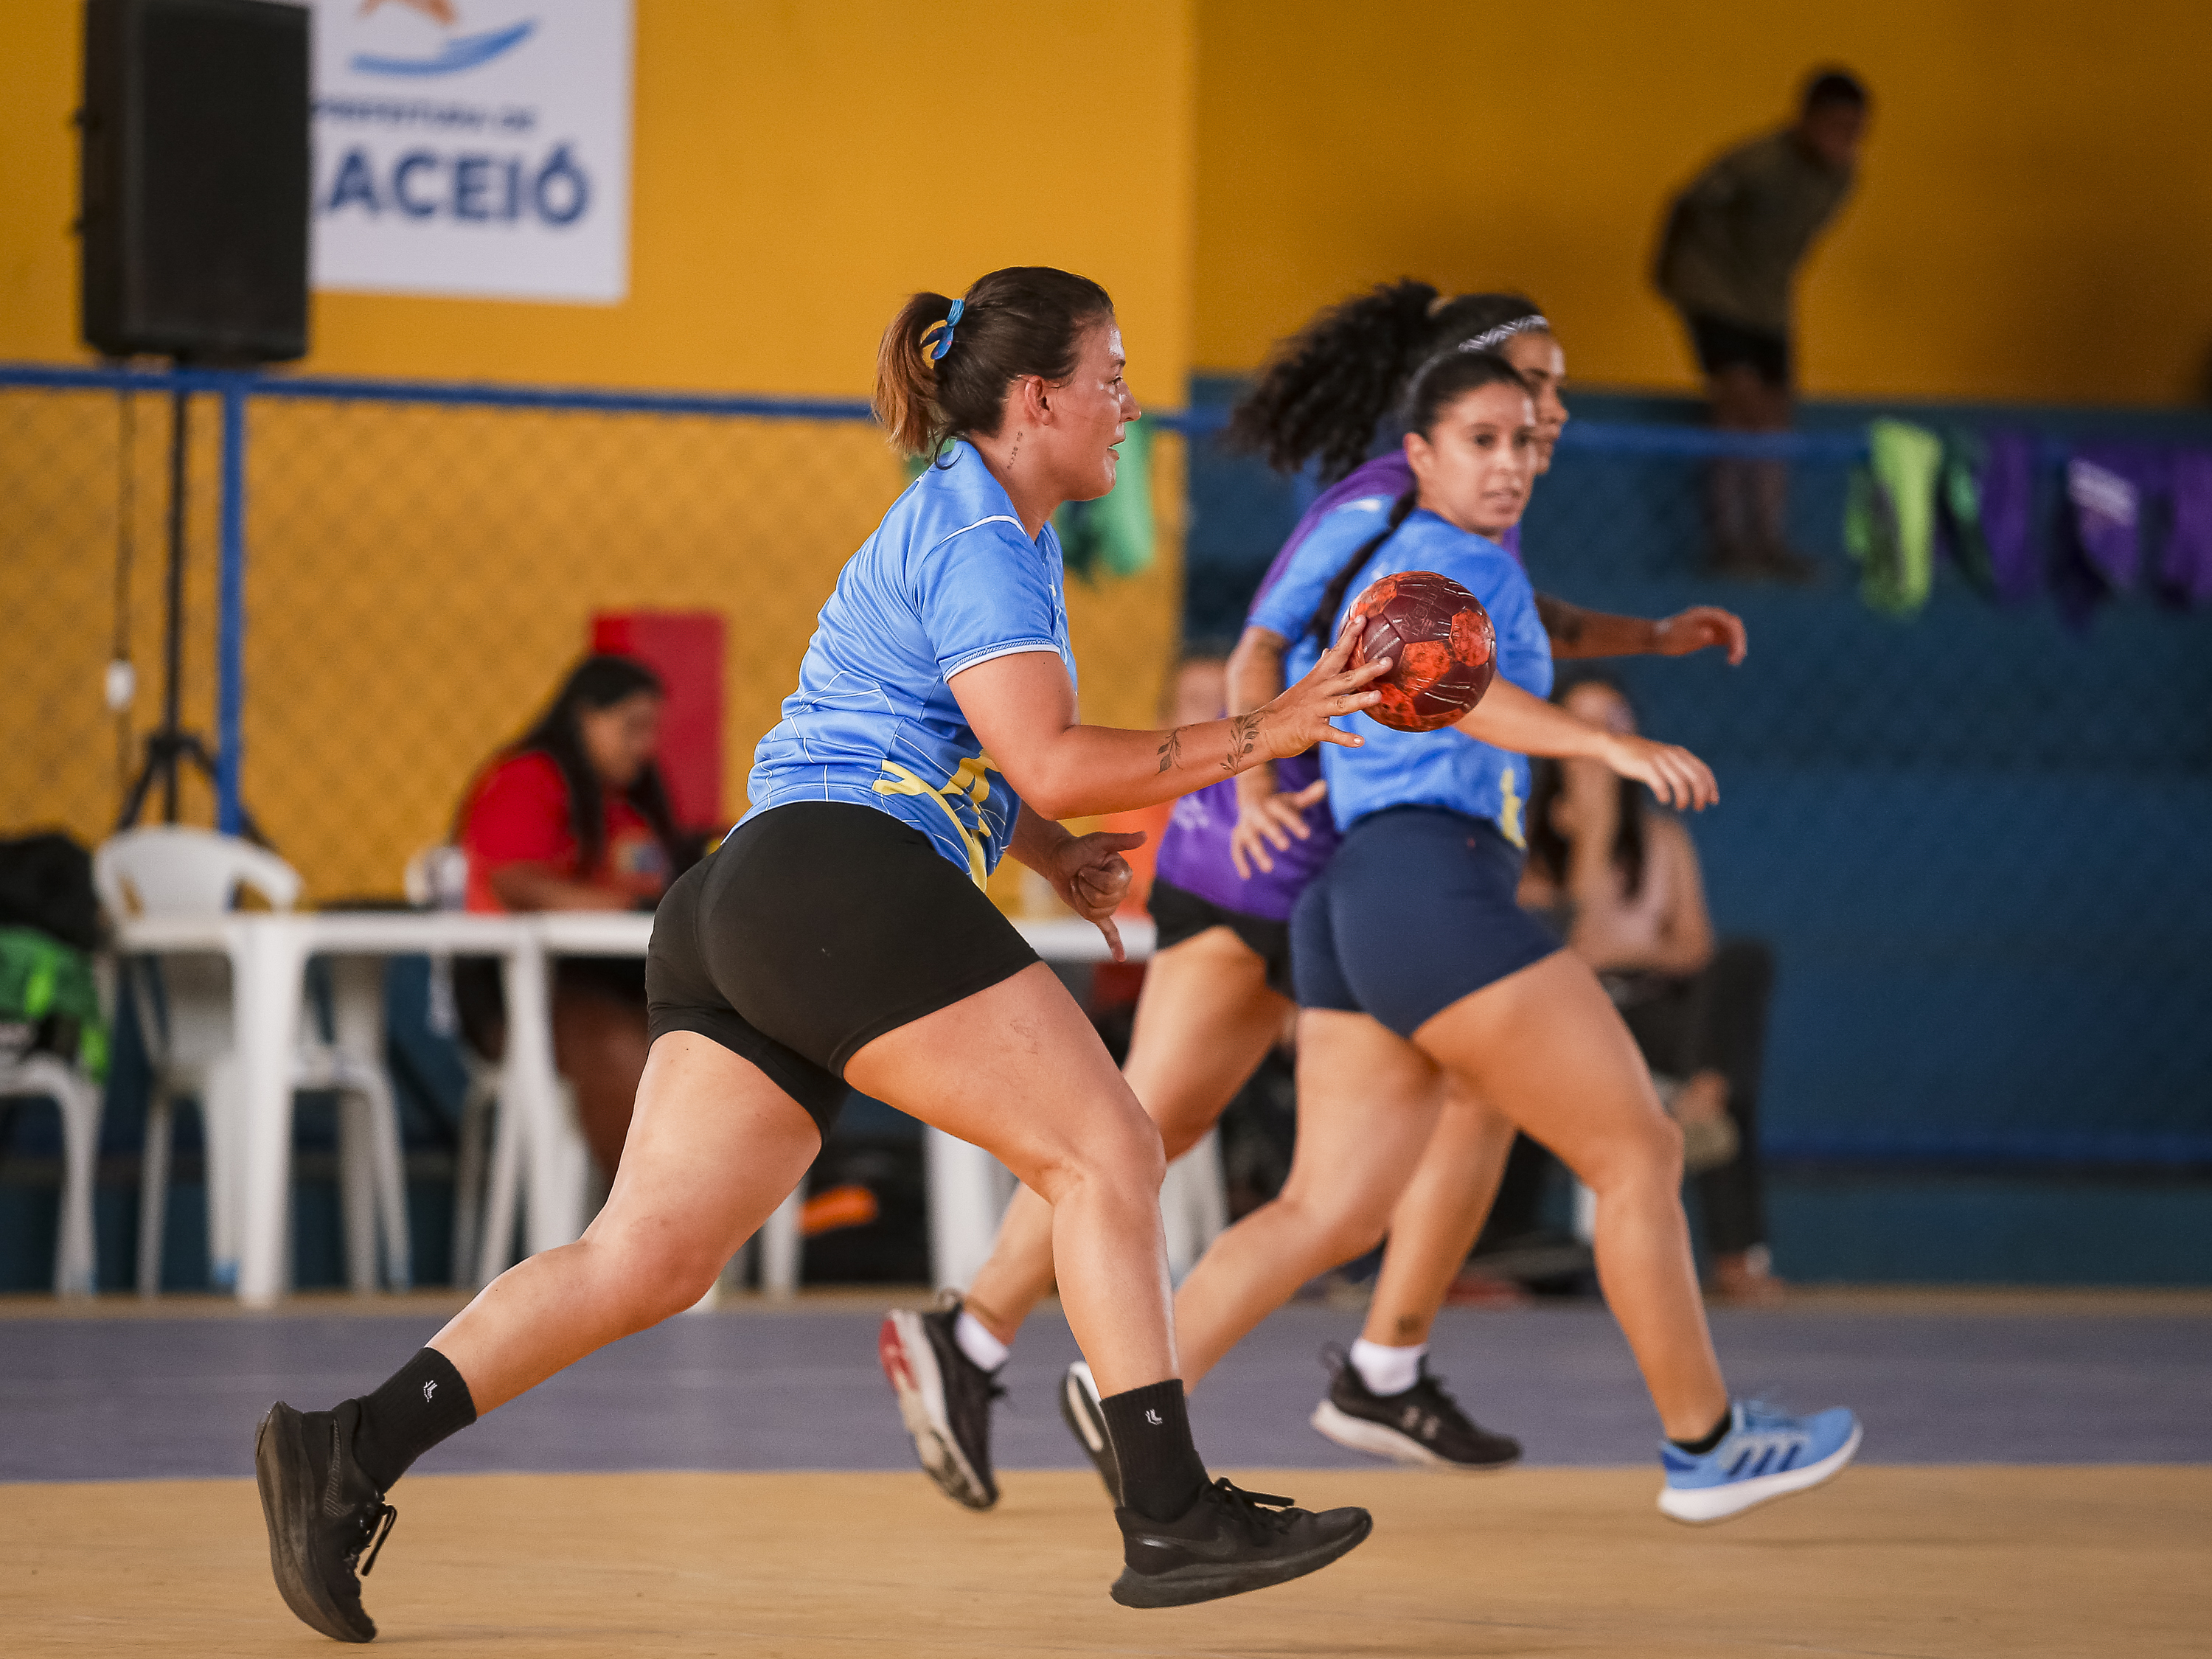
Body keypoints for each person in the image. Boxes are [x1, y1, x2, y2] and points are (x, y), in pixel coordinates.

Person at [251, 266, 1391, 1641]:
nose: (1131, 404)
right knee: (1108, 1151)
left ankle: (347, 1454)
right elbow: (1044, 751)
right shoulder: (979, 531)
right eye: (1111, 375)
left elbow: (958, 747)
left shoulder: (990, 526)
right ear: (1037, 399)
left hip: (750, 893)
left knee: (647, 1260)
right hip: (835, 881)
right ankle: (1167, 1509)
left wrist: (1045, 852)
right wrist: (1276, 727)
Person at [882, 280, 1750, 1504]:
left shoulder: (1465, 514)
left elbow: (1510, 633)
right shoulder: (1386, 498)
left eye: (1552, 393)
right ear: (1459, 390)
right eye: (1536, 383)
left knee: (1465, 1096)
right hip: (1264, 848)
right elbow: (1267, 635)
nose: (1554, 406)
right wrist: (1275, 756)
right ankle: (972, 1338)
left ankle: (1387, 1362)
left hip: (1327, 856)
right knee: (1148, 1126)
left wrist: (1647, 640)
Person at [1080, 345, 1859, 1526]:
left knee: (1328, 1206)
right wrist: (1599, 743)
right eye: (1484, 438)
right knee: (1637, 1150)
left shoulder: (1467, 561)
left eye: (1527, 441)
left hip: (1359, 897)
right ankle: (1705, 1443)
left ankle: (1131, 1388)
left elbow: (1499, 642)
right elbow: (1440, 679)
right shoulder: (1432, 556)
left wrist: (1645, 640)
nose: (1510, 462)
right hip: (1424, 878)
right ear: (1422, 454)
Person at [1523, 674, 1782, 1304]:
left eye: (1615, 723)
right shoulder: (1525, 840)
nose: (1601, 740)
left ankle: (1702, 1102)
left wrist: (1631, 953)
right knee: (1715, 1062)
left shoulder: (1664, 838)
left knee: (1743, 968)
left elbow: (1695, 946)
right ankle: (1705, 1096)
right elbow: (1565, 951)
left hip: (1653, 1006)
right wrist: (1595, 833)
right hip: (1571, 1016)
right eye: (1585, 723)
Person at [452, 653, 692, 1177]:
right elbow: (515, 883)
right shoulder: (529, 778)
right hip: (520, 989)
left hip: (624, 979)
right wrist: (624, 907)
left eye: (652, 730)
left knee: (703, 1052)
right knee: (613, 1047)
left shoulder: (632, 804)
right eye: (632, 727)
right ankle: (651, 1216)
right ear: (585, 716)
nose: (646, 745)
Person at [1654, 67, 1871, 579]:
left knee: (1777, 416)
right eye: (1834, 127)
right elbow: (1686, 204)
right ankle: (1728, 542)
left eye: (1854, 131)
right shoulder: (1755, 164)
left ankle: (1770, 541)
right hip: (1714, 289)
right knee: (1739, 405)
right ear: (1806, 120)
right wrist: (1672, 274)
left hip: (1768, 302)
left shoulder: (1841, 178)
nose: (1843, 141)